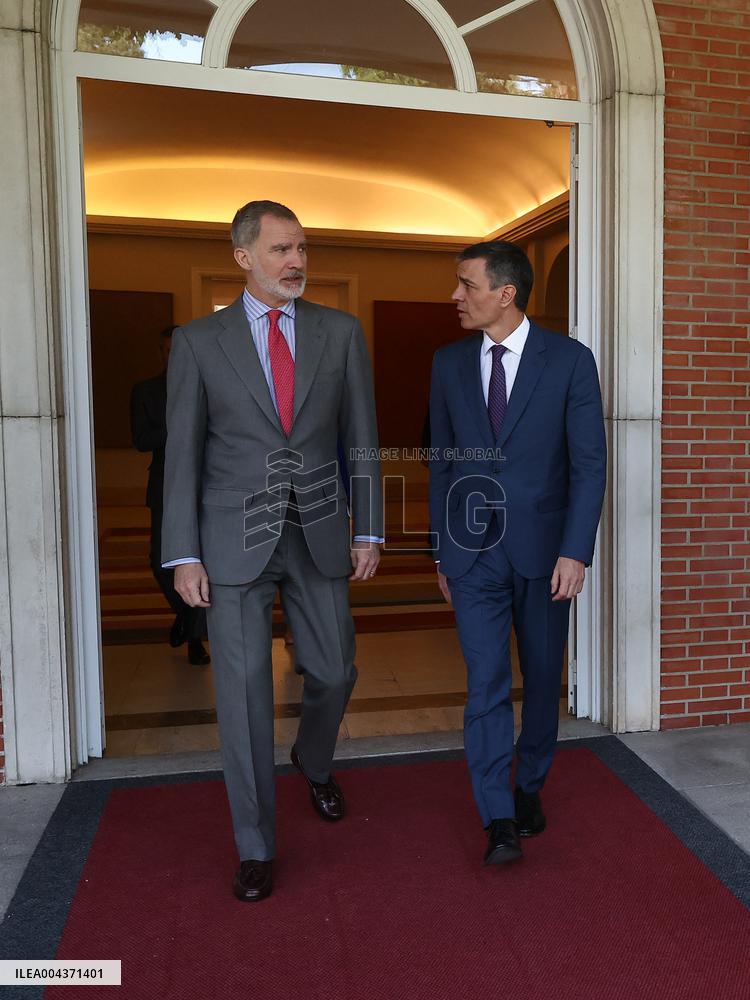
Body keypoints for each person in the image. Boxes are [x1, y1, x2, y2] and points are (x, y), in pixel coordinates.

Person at [162, 200, 383, 902]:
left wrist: (369, 528)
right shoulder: (199, 342)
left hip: (319, 531)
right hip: (232, 542)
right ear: (243, 257)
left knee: (335, 670)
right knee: (245, 697)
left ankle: (313, 760)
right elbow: (182, 454)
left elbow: (362, 436)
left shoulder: (339, 332)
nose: (296, 261)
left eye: (302, 248)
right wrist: (183, 553)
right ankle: (255, 845)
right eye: (282, 249)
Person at [429, 240, 606, 866]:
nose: (455, 295)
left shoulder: (570, 361)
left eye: (466, 284)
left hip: (545, 553)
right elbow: (442, 463)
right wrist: (442, 550)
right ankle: (496, 814)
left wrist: (575, 552)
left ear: (505, 294)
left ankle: (529, 785)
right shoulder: (448, 363)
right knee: (486, 682)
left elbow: (588, 465)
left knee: (542, 676)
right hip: (472, 554)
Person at [129, 328, 210, 666]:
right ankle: (185, 615)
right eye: (168, 350)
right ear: (161, 353)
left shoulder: (207, 386)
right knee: (160, 560)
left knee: (203, 559)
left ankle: (195, 639)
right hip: (164, 483)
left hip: (208, 483)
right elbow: (141, 440)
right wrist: (180, 427)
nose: (174, 356)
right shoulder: (145, 390)